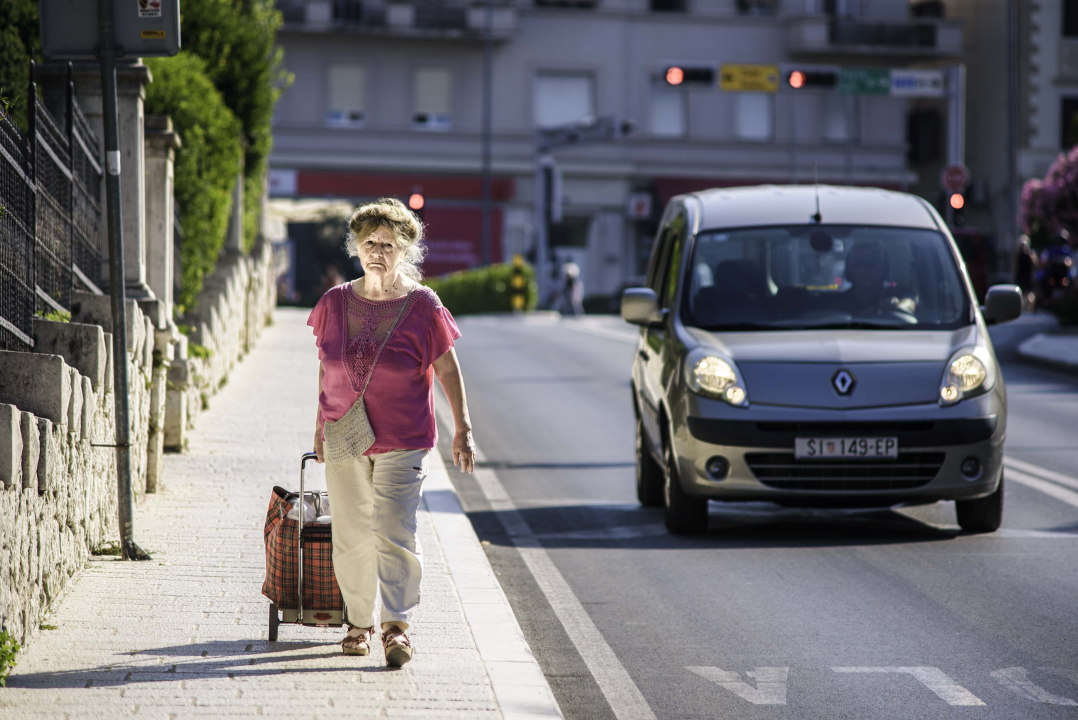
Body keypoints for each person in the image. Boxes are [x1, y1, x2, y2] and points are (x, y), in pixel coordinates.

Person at [307, 198, 476, 666]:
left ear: (405, 251)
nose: (377, 251)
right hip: (344, 435)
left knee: (393, 529)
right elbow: (325, 370)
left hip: (404, 438)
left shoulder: (423, 305)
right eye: (368, 243)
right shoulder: (334, 303)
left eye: (387, 244)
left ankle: (397, 626)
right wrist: (318, 428)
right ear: (355, 247)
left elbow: (447, 368)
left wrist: (462, 427)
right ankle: (359, 623)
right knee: (351, 533)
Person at [838, 239, 917, 316]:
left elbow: (909, 303)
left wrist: (896, 307)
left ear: (883, 267)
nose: (862, 270)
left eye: (870, 264)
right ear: (849, 268)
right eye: (856, 264)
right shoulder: (840, 303)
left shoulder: (898, 292)